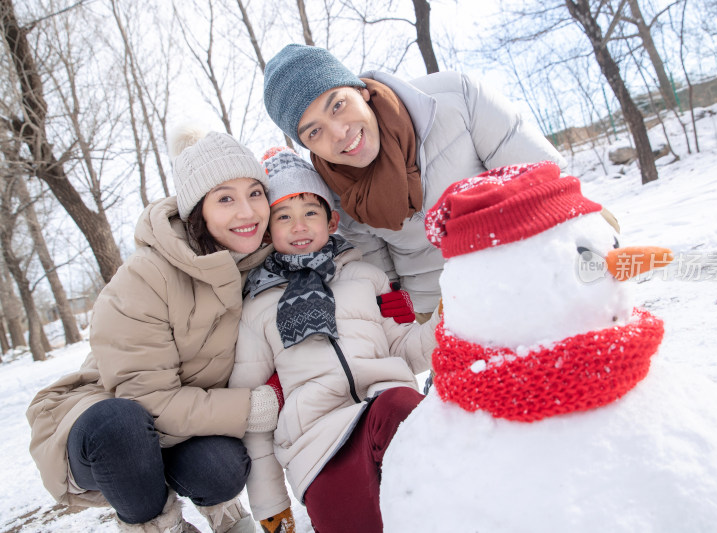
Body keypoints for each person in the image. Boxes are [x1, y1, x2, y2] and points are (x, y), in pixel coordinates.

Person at [25, 125, 289, 533]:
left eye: (255, 193)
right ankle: (157, 525)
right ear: (196, 210)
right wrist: (255, 406)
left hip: (180, 422)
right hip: (104, 420)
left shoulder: (259, 264)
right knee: (121, 426)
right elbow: (146, 398)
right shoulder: (146, 277)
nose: (247, 211)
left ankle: (224, 515)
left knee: (221, 467)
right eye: (225, 198)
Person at [262, 43, 567, 320]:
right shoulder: (333, 192)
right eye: (314, 132)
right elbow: (384, 276)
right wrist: (414, 326)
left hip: (527, 277)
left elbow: (544, 182)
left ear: (360, 90)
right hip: (442, 315)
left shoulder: (455, 98)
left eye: (338, 105)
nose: (339, 133)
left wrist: (584, 243)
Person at [229, 147, 441, 532]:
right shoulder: (257, 308)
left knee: (401, 407)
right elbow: (253, 413)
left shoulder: (367, 277)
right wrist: (270, 502)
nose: (299, 226)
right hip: (317, 445)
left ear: (331, 221)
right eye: (283, 216)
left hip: (383, 407)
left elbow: (406, 350)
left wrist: (447, 320)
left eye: (310, 212)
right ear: (267, 229)